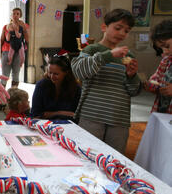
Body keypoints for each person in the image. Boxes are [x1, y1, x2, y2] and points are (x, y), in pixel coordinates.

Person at [71, 9, 141, 154]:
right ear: (104, 27)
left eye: (127, 30)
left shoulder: (128, 55)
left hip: (119, 119)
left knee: (114, 159)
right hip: (92, 115)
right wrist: (107, 56)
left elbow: (133, 90)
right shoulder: (92, 49)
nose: (122, 33)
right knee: (87, 155)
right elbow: (79, 71)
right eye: (118, 28)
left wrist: (131, 75)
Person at [31, 54, 81, 123]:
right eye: (50, 73)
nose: (52, 76)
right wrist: (60, 113)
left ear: (66, 73)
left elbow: (77, 115)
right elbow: (35, 114)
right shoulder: (41, 85)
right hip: (45, 126)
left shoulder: (75, 88)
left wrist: (48, 114)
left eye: (56, 74)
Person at [0, 8, 29, 111]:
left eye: (17, 13)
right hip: (7, 51)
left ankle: (13, 101)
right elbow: (2, 39)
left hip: (18, 51)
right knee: (4, 76)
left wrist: (23, 29)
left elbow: (27, 39)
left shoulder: (24, 26)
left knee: (16, 75)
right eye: (13, 13)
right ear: (11, 15)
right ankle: (1, 101)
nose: (15, 15)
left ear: (20, 15)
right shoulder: (6, 27)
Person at [144, 20, 172, 113]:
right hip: (164, 113)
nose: (165, 52)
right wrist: (150, 85)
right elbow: (156, 80)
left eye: (167, 46)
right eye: (162, 48)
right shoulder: (166, 61)